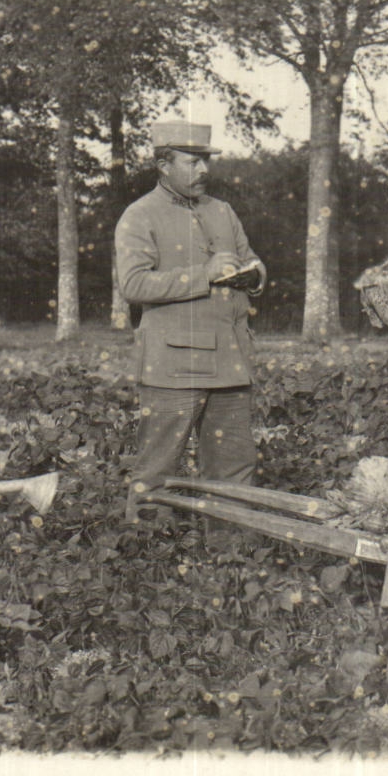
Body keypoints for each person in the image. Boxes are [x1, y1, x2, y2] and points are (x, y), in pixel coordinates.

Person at [117, 121, 266, 517]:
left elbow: (249, 257)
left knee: (234, 468)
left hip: (230, 363)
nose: (204, 170)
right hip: (173, 367)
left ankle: (229, 559)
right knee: (157, 470)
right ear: (163, 164)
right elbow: (133, 285)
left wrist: (254, 273)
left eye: (206, 161)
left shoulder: (222, 211)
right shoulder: (139, 215)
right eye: (193, 161)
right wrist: (207, 274)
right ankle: (142, 564)